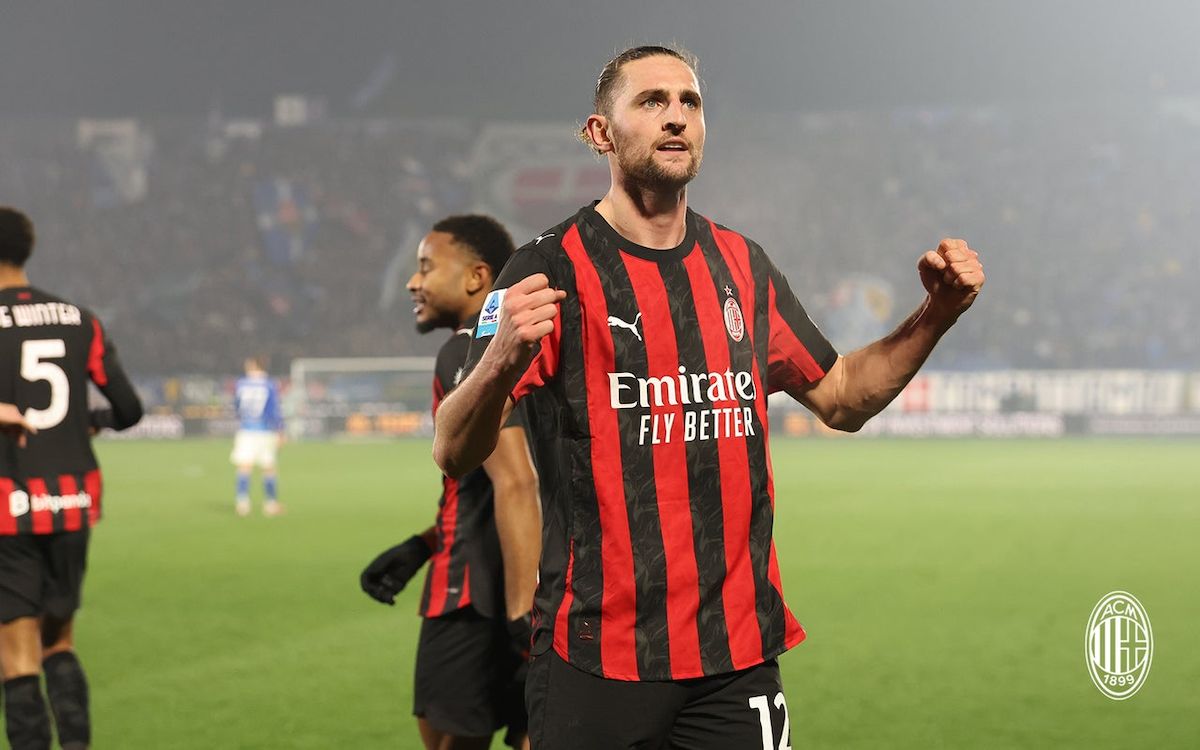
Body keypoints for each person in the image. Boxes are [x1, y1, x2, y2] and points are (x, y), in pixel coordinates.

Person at [432, 46, 985, 749]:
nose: (676, 118)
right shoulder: (543, 269)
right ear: (601, 133)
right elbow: (453, 448)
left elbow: (843, 396)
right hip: (595, 659)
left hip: (735, 658)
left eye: (689, 103)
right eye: (651, 102)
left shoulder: (742, 266)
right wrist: (499, 362)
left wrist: (935, 314)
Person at [360, 215, 541, 750]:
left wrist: (520, 618)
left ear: (475, 277)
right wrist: (421, 545)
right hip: (546, 587)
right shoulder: (534, 349)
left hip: (472, 601)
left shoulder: (468, 352)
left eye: (425, 267)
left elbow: (515, 483)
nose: (413, 283)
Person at [0, 206, 144, 750]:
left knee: (16, 657)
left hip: (8, 502)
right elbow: (128, 409)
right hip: (74, 499)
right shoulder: (80, 318)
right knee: (59, 641)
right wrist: (91, 421)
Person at [231, 357, 284, 517]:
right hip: (265, 430)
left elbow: (237, 406)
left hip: (246, 429)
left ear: (254, 365)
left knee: (244, 466)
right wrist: (280, 430)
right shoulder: (269, 384)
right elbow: (273, 409)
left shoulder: (241, 383)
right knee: (268, 468)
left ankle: (242, 503)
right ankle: (270, 504)